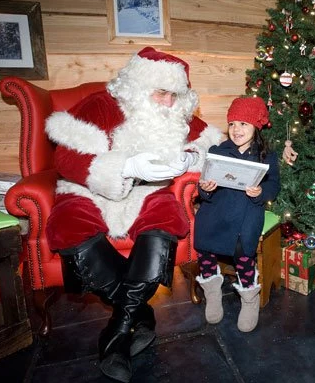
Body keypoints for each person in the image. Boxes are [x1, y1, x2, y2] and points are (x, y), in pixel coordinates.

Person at [44, 47, 222, 383]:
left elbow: (212, 143)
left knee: (168, 217)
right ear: (139, 86)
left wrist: (192, 156)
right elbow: (66, 159)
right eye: (161, 93)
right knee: (69, 224)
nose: (169, 103)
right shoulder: (101, 105)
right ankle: (140, 315)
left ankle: (118, 330)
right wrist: (125, 166)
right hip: (89, 189)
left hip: (147, 192)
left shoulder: (177, 115)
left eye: (175, 95)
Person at [193, 96, 280, 332]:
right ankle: (212, 291)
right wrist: (206, 189)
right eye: (232, 123)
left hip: (247, 210)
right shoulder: (218, 150)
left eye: (244, 124)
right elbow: (203, 184)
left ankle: (249, 298)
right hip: (217, 207)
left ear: (255, 127)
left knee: (244, 251)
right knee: (203, 241)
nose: (236, 129)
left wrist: (261, 192)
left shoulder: (266, 155)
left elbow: (274, 185)